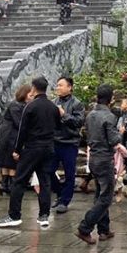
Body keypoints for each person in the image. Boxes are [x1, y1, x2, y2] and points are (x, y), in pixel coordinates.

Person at [0, 76, 61, 229]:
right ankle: (44, 215)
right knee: (45, 181)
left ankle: (14, 215)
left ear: (34, 88)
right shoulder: (53, 107)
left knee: (19, 181)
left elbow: (22, 131)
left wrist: (17, 149)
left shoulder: (30, 107)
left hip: (32, 148)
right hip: (48, 147)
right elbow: (58, 126)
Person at [75, 84, 127, 244]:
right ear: (111, 99)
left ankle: (104, 229)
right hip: (105, 159)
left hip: (94, 158)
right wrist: (120, 133)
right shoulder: (109, 117)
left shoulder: (90, 115)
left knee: (100, 193)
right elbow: (113, 140)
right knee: (106, 197)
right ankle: (85, 228)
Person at [48, 76, 85, 214]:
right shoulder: (54, 102)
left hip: (70, 143)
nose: (58, 87)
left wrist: (64, 115)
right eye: (57, 85)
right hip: (55, 141)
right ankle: (60, 193)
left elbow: (79, 122)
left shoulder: (77, 103)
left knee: (70, 174)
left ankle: (64, 201)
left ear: (69, 87)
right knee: (49, 170)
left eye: (61, 85)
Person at [0, 83, 31, 196]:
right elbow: (19, 123)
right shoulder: (16, 105)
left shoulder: (16, 105)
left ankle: (5, 185)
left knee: (6, 162)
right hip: (10, 135)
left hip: (7, 134)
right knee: (11, 162)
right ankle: (10, 185)